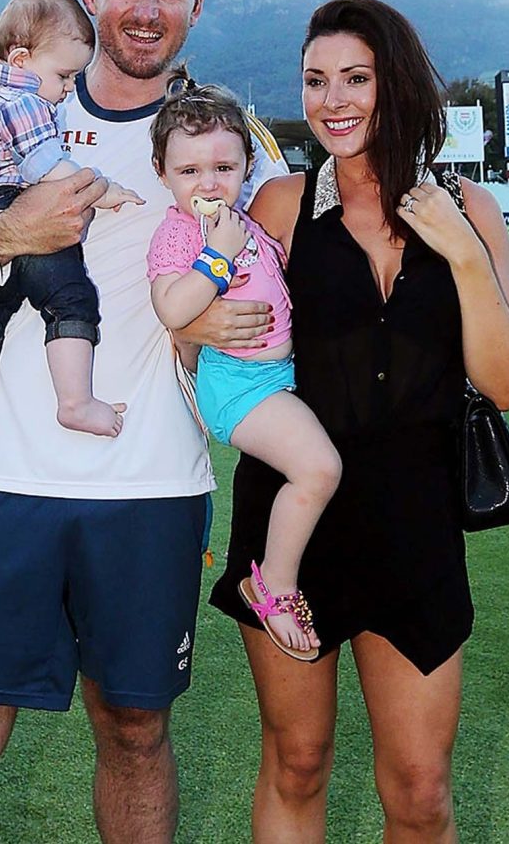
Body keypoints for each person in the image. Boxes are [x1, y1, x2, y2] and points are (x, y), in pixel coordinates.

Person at [0, 0, 509, 842]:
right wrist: (5, 231)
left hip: (153, 481)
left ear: (197, 5)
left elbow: (317, 263)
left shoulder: (232, 143)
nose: (145, 8)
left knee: (134, 731)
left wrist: (484, 289)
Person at [205, 0, 509, 842]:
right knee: (296, 760)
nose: (332, 99)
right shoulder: (280, 205)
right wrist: (194, 323)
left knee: (421, 789)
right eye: (315, 80)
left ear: (396, 85)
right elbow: (207, 320)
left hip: (415, 523)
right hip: (293, 515)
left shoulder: (471, 207)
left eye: (355, 77)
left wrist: (462, 250)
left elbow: (502, 383)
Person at [147, 70, 341, 659]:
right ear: (163, 174)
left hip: (273, 380)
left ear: (247, 166)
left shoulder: (244, 219)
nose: (208, 182)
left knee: (319, 467)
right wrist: (215, 259)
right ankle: (271, 583)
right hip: (238, 388)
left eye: (223, 169)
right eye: (189, 172)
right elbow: (172, 310)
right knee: (319, 470)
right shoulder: (180, 234)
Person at [0, 0, 143, 449]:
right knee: (70, 301)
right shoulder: (26, 101)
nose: (66, 90)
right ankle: (76, 401)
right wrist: (105, 190)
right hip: (22, 209)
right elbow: (49, 168)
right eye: (63, 76)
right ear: (20, 60)